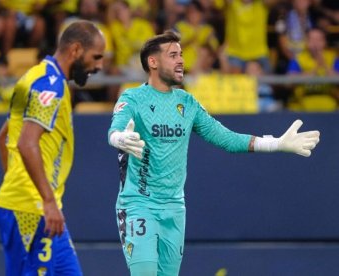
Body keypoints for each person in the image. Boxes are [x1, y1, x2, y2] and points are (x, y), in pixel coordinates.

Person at [107, 30, 320, 276]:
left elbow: (226, 138)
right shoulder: (132, 98)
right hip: (139, 204)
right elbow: (115, 129)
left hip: (175, 208)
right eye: (173, 55)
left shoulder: (187, 103)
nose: (181, 60)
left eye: (181, 55)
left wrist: (275, 143)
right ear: (152, 62)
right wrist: (119, 138)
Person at [0, 20, 105, 276]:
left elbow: (4, 136)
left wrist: (18, 183)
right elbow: (26, 142)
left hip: (40, 206)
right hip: (34, 210)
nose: (99, 66)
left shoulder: (35, 76)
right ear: (76, 50)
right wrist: (42, 199)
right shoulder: (50, 86)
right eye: (96, 57)